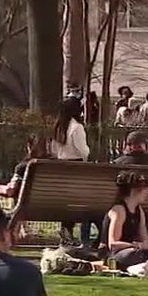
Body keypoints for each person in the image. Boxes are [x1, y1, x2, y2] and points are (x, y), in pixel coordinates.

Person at [101, 171, 148, 271]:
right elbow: (113, 244)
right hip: (117, 254)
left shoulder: (139, 210)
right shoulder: (119, 210)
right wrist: (138, 245)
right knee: (133, 255)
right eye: (145, 188)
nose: (147, 192)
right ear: (134, 190)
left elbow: (144, 240)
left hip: (135, 250)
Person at [50, 97, 93, 245]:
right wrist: (88, 153)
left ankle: (66, 229)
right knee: (79, 202)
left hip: (62, 167)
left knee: (67, 201)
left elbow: (54, 151)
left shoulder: (58, 127)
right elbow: (82, 150)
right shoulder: (77, 127)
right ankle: (78, 233)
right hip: (77, 167)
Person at [0, 136, 51, 205]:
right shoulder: (57, 166)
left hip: (26, 211)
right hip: (54, 210)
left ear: (29, 147)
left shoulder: (25, 167)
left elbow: (10, 190)